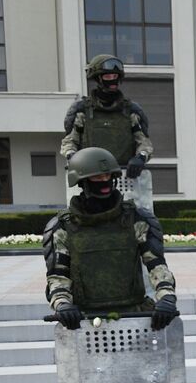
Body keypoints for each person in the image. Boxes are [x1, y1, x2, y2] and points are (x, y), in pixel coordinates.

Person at [44, 148, 179, 331]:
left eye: (108, 175)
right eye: (97, 177)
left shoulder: (136, 218)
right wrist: (62, 304)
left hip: (134, 315)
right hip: (86, 321)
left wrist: (166, 296)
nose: (104, 181)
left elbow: (156, 265)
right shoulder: (63, 227)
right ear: (82, 181)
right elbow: (58, 276)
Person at [60, 55, 153, 180]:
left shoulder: (130, 111)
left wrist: (140, 157)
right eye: (108, 76)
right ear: (98, 79)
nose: (112, 80)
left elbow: (144, 143)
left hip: (125, 177)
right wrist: (73, 157)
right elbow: (69, 142)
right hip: (91, 177)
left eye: (115, 76)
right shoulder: (83, 111)